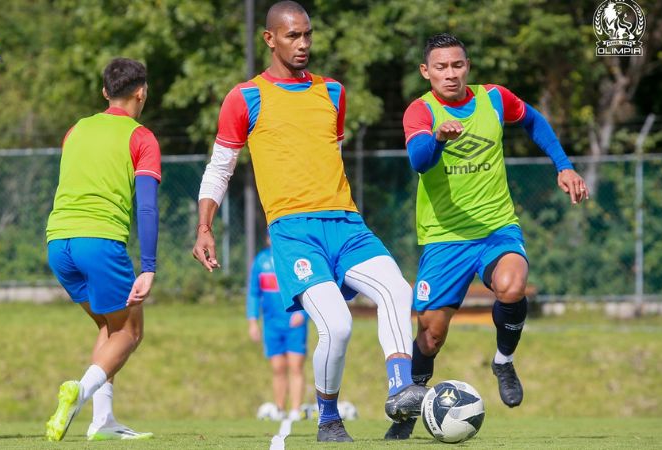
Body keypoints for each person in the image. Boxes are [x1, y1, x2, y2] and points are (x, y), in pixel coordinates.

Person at [193, 1, 425, 442]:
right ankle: (328, 417)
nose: (303, 44)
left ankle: (401, 390)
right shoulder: (245, 97)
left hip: (347, 224)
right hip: (294, 232)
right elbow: (220, 167)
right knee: (337, 326)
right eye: (293, 36)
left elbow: (330, 152)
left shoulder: (333, 92)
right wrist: (205, 226)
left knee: (397, 289)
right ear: (270, 39)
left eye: (308, 35)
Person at [391, 33, 590, 439]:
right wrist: (439, 141)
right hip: (444, 238)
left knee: (512, 286)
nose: (451, 74)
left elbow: (533, 120)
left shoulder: (494, 98)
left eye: (458, 65)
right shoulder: (420, 111)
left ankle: (503, 361)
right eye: (441, 67)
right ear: (425, 71)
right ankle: (410, 409)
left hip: (496, 228)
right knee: (430, 335)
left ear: (468, 66)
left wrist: (563, 165)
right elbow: (418, 162)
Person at [44, 57, 160, 442]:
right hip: (100, 241)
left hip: (58, 242)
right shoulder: (141, 137)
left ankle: (103, 421)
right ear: (141, 92)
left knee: (108, 326)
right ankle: (80, 392)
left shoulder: (74, 131)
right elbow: (146, 205)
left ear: (104, 92)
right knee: (130, 330)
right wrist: (148, 266)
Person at [247, 237, 307, 421]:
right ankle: (280, 408)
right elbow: (253, 294)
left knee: (296, 366)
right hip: (271, 325)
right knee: (277, 367)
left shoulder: (296, 260)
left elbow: (309, 289)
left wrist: (303, 313)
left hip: (294, 324)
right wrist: (253, 321)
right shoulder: (261, 261)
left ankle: (296, 410)